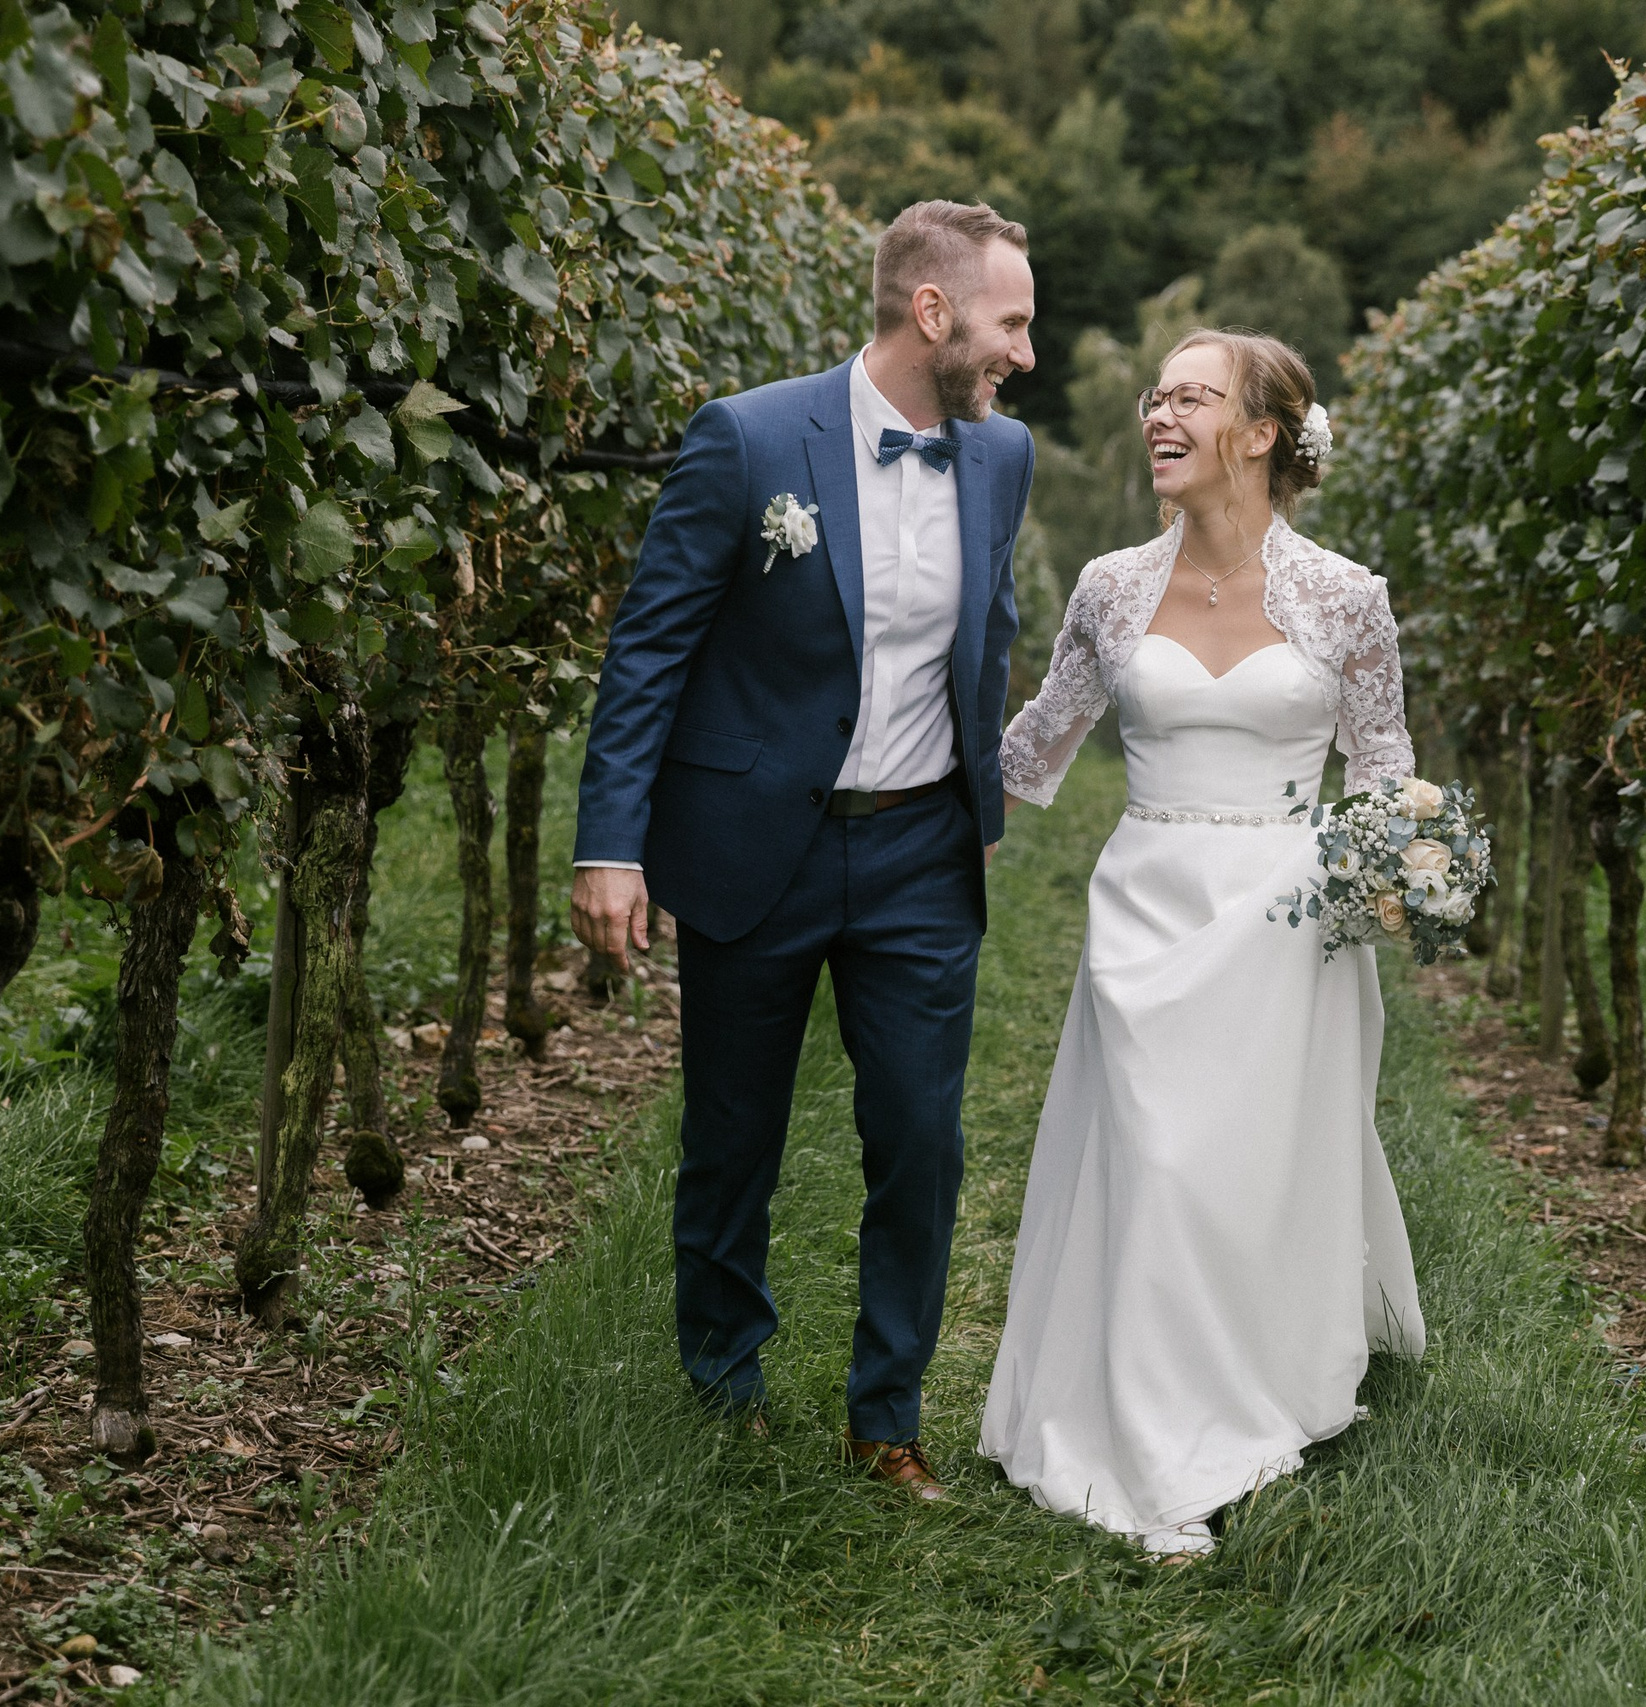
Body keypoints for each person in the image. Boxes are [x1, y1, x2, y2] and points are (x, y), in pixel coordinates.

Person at [570, 200, 1037, 1501]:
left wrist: (981, 810)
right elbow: (650, 645)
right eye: (1013, 324)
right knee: (733, 1137)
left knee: (922, 1135)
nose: (1028, 357)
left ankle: (885, 1414)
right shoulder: (750, 437)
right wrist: (612, 841)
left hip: (919, 854)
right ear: (930, 313)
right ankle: (724, 1390)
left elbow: (988, 635)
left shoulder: (1002, 458)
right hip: (750, 841)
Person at [979, 329, 1427, 1554]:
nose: (1159, 415)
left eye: (1192, 397)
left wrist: (1403, 880)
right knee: (1160, 1162)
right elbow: (1030, 752)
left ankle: (1258, 1382)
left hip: (1290, 918)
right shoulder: (1110, 587)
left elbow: (1388, 779)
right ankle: (1153, 1426)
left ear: (1264, 434)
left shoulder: (1346, 599)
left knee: (1246, 1172)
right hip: (1146, 907)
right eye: (1154, 395)